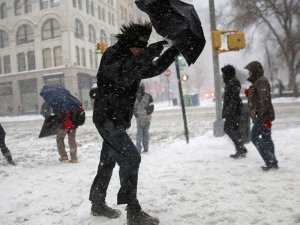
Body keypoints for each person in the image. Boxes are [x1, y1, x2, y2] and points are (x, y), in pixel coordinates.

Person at [89, 20, 180, 225]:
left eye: (144, 46)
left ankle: (97, 202)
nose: (141, 50)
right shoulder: (113, 55)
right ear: (129, 41)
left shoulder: (134, 57)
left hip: (117, 120)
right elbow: (125, 73)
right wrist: (157, 47)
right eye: (139, 45)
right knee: (131, 158)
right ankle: (133, 211)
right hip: (107, 119)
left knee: (107, 162)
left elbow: (154, 68)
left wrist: (174, 50)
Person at [244, 61, 278, 171]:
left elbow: (264, 100)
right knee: (266, 138)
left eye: (249, 71)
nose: (248, 73)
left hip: (262, 117)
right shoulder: (258, 82)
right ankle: (273, 161)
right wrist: (249, 93)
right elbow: (258, 98)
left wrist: (261, 116)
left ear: (254, 71)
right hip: (264, 116)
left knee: (254, 137)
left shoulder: (261, 82)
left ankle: (270, 160)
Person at [221, 65, 247, 158]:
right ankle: (241, 147)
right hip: (234, 110)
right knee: (234, 129)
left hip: (233, 111)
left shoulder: (232, 83)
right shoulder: (231, 82)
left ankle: (240, 147)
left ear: (227, 73)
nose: (222, 76)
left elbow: (233, 99)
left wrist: (228, 111)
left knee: (228, 129)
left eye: (223, 73)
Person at [133, 83, 154, 153]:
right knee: (139, 135)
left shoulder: (148, 96)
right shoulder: (134, 97)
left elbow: (151, 107)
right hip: (139, 120)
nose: (139, 90)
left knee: (145, 134)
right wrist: (136, 114)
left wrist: (145, 113)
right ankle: (138, 149)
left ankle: (146, 148)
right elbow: (133, 108)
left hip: (147, 119)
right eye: (138, 88)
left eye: (140, 88)